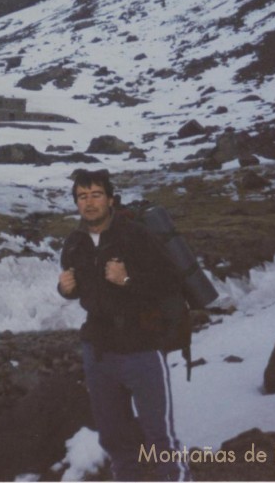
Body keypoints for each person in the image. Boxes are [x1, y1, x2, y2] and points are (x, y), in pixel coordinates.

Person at [58, 168, 190, 481]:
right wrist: (64, 290)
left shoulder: (135, 235)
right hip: (99, 351)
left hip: (141, 347)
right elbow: (77, 289)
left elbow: (171, 281)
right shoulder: (74, 243)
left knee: (158, 437)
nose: (89, 203)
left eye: (96, 195)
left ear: (111, 199)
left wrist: (127, 279)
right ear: (76, 203)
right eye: (82, 197)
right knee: (115, 440)